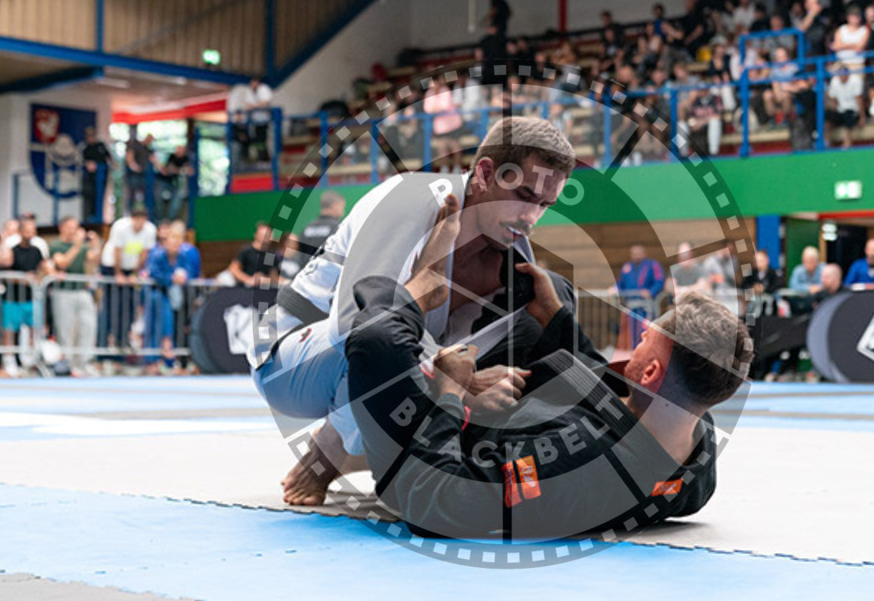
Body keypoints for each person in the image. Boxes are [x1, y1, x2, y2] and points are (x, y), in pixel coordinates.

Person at [342, 200, 753, 538]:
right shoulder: (695, 445)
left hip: (430, 452)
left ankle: (419, 290)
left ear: (650, 375)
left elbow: (438, 503)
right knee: (553, 293)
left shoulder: (572, 465)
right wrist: (555, 318)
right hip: (527, 410)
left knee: (377, 340)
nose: (641, 335)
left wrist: (451, 392)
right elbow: (604, 393)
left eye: (650, 335)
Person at [250, 117, 577, 506]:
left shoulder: (512, 254)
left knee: (541, 308)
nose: (531, 217)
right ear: (486, 173)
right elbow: (353, 330)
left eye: (544, 205)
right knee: (377, 334)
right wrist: (460, 384)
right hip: (289, 359)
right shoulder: (410, 201)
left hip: (372, 359)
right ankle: (325, 456)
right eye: (524, 195)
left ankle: (361, 458)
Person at [98, 208, 157, 357]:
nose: (139, 224)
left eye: (142, 221)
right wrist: (118, 274)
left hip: (130, 268)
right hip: (112, 266)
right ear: (132, 219)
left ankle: (123, 341)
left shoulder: (150, 230)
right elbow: (117, 251)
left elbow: (144, 253)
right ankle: (103, 345)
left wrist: (134, 274)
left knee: (129, 306)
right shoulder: (120, 227)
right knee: (112, 306)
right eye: (137, 220)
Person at [143, 223, 200, 375]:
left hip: (174, 296)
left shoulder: (182, 256)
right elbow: (154, 273)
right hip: (156, 294)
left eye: (179, 238)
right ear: (166, 240)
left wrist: (184, 277)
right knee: (156, 327)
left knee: (174, 327)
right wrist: (171, 278)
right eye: (173, 238)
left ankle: (171, 362)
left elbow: (189, 272)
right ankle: (152, 361)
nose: (176, 242)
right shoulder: (157, 255)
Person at [0, 217, 48, 377]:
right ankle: (9, 361)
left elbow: (43, 268)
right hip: (12, 298)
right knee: (9, 331)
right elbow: (5, 271)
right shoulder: (12, 250)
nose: (29, 234)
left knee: (33, 330)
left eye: (32, 231)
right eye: (26, 231)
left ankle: (30, 362)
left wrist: (39, 277)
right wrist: (23, 278)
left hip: (31, 299)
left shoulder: (37, 250)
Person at [49, 217, 102, 375]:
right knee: (66, 328)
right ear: (61, 228)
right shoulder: (55, 245)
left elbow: (94, 260)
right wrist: (77, 245)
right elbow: (62, 263)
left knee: (88, 325)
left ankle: (84, 361)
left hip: (82, 291)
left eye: (75, 227)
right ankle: (69, 363)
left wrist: (96, 244)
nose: (73, 230)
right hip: (63, 292)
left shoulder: (82, 247)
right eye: (69, 227)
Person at [612, 243, 666, 349]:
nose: (636, 256)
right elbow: (620, 282)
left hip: (647, 306)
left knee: (646, 330)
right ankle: (636, 353)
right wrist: (614, 289)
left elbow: (659, 281)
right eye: (634, 254)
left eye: (639, 253)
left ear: (644, 253)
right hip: (631, 306)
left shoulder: (653, 265)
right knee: (633, 333)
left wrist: (650, 292)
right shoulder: (627, 267)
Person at [227, 77, 274, 163]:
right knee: (257, 140)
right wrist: (256, 106)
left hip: (263, 120)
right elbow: (248, 105)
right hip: (255, 121)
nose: (252, 85)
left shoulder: (264, 89)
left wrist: (254, 106)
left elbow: (264, 104)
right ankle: (261, 157)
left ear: (257, 82)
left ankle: (264, 158)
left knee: (262, 139)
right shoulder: (250, 91)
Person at [80, 127, 115, 224]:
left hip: (102, 176)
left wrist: (113, 164)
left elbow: (109, 157)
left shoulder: (101, 145)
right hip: (90, 179)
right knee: (90, 199)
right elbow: (85, 163)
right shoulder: (86, 149)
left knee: (101, 198)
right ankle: (90, 218)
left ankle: (99, 216)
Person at [825, 63, 863, 149]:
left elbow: (859, 100)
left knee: (848, 115)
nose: (841, 77)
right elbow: (833, 99)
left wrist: (862, 116)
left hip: (853, 111)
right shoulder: (835, 81)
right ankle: (826, 143)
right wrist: (834, 111)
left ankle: (847, 142)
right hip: (840, 111)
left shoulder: (855, 80)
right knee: (827, 115)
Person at [229, 223, 277, 287]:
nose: (266, 237)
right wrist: (248, 280)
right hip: (244, 288)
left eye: (268, 235)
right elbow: (233, 269)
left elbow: (272, 274)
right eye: (263, 235)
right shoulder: (247, 251)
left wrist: (265, 280)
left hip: (263, 289)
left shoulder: (270, 254)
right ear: (256, 235)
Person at [157, 144, 193, 222]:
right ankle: (159, 219)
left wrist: (178, 170)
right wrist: (181, 170)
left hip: (175, 183)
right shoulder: (171, 156)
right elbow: (167, 169)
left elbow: (190, 171)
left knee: (178, 197)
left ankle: (169, 220)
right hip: (163, 181)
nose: (179, 151)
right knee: (157, 195)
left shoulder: (186, 158)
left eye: (181, 149)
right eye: (178, 149)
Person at [124, 133, 158, 212]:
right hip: (133, 175)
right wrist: (133, 166)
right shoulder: (135, 145)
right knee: (132, 196)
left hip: (144, 175)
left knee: (146, 196)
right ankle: (130, 213)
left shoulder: (148, 149)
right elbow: (129, 156)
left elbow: (154, 160)